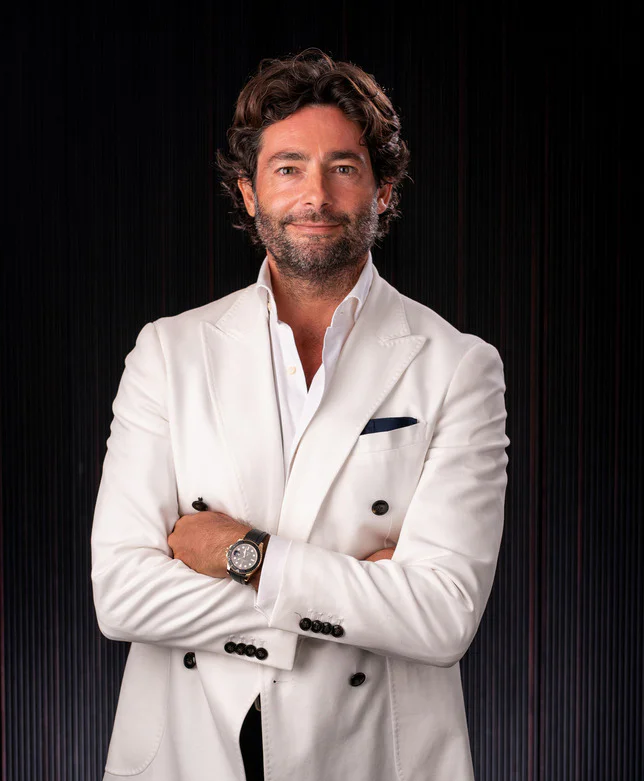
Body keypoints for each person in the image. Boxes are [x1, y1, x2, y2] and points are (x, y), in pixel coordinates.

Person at [91, 48, 509, 781]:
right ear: (249, 193)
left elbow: (442, 616)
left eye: (343, 167)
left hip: (372, 752)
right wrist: (362, 598)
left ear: (383, 190)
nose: (315, 196)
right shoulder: (169, 352)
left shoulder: (458, 366)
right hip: (190, 746)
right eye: (287, 168)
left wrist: (242, 554)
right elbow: (122, 595)